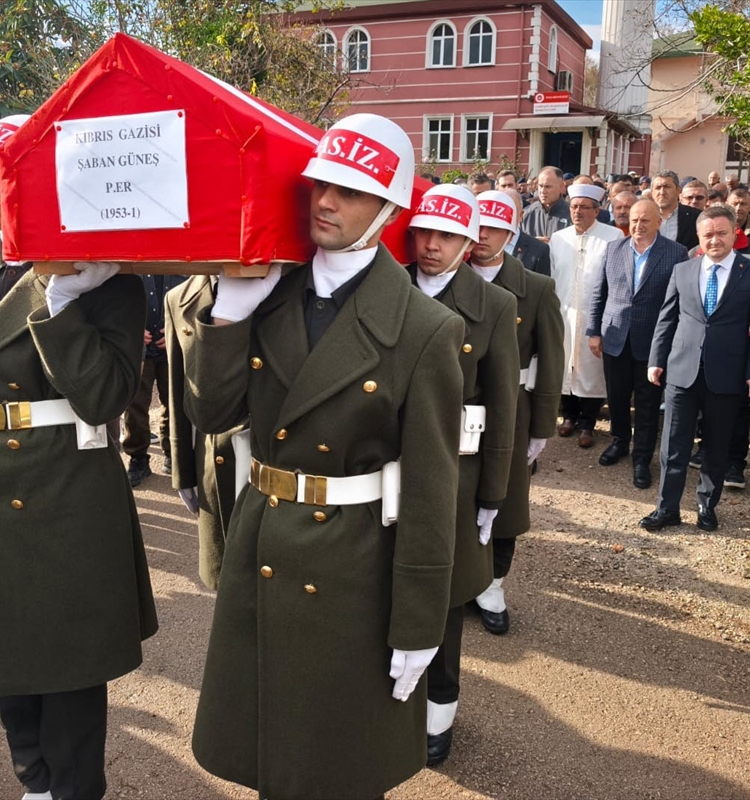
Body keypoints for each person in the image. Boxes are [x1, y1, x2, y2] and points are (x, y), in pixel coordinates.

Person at [184, 113, 465, 800]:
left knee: (339, 759)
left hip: (354, 561)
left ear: (390, 208)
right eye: (320, 185)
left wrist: (419, 621)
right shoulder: (268, 292)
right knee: (271, 745)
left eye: (350, 191)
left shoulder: (427, 328)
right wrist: (227, 317)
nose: (326, 202)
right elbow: (211, 414)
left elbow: (431, 489)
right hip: (266, 534)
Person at [0, 114, 158, 800]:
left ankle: (73, 789)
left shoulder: (104, 275)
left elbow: (107, 397)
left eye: (4, 169)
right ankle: (34, 781)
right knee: (2, 664)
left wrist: (61, 303)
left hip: (64, 494)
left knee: (67, 672)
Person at [406, 184, 519, 766]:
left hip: (456, 472)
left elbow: (503, 407)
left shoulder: (494, 306)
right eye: (422, 232)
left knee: (443, 596)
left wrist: (493, 494)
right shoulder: (388, 286)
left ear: (470, 241)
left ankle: (438, 710)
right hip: (389, 467)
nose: (430, 245)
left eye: (446, 235)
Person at [642, 205, 750, 532]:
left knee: (716, 446)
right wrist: (657, 359)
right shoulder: (683, 271)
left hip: (727, 373)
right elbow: (667, 318)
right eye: (708, 234)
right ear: (699, 238)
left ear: (734, 234)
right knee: (674, 444)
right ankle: (666, 508)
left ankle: (706, 505)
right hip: (682, 370)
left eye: (721, 233)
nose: (715, 240)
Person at [470, 190, 564, 634]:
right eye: (477, 225)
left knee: (504, 501)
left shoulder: (536, 288)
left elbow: (551, 361)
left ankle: (492, 585)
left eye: (493, 228)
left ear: (511, 233)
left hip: (513, 409)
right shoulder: (442, 278)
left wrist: (542, 426)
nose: (481, 236)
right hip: (455, 409)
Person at [587, 199, 689, 487]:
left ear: (659, 222)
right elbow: (599, 293)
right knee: (617, 397)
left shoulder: (676, 253)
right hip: (615, 336)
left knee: (647, 403)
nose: (638, 226)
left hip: (653, 342)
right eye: (634, 220)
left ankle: (642, 456)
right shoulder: (614, 249)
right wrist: (594, 331)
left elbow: (680, 302)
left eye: (645, 220)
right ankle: (619, 441)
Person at [165, 274, 246, 591]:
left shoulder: (283, 282)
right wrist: (183, 472)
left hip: (265, 454)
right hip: (212, 459)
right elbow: (178, 387)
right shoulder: (178, 298)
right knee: (223, 576)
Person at [550, 183, 623, 448]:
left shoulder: (613, 236)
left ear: (597, 210)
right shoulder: (559, 238)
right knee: (564, 362)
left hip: (597, 314)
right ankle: (568, 417)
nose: (578, 212)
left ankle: (588, 423)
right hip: (563, 312)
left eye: (584, 207)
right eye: (574, 206)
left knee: (593, 369)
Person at [123, 273, 186, 484]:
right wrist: (130, 328)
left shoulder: (181, 257)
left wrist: (177, 330)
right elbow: (116, 301)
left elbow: (197, 297)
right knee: (135, 405)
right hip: (137, 348)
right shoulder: (131, 260)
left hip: (173, 345)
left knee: (175, 401)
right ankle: (138, 458)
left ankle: (173, 453)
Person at [502, 187, 551, 276]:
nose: (505, 215)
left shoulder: (539, 250)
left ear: (521, 215)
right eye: (502, 210)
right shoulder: (480, 243)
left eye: (511, 211)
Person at [521, 165, 570, 241]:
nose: (543, 191)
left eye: (548, 186)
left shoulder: (572, 215)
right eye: (540, 186)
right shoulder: (526, 214)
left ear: (561, 186)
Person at [651, 171, 699, 249]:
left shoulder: (695, 217)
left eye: (667, 187)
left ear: (678, 190)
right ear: (652, 193)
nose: (662, 192)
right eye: (658, 188)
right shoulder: (643, 217)